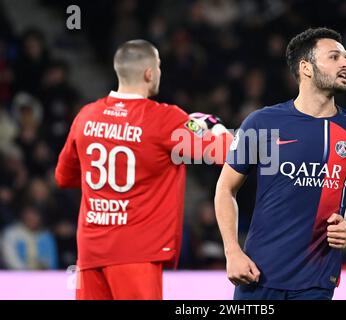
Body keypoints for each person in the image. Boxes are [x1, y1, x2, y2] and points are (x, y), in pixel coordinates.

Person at [55, 39, 232, 300]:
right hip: (137, 254)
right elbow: (226, 154)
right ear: (150, 72)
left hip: (90, 254)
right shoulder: (164, 119)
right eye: (158, 66)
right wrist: (213, 124)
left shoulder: (86, 116)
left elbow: (64, 177)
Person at [215, 27, 346, 300]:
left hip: (316, 282)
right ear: (306, 68)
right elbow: (225, 189)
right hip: (257, 276)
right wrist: (232, 251)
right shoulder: (263, 123)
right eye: (334, 57)